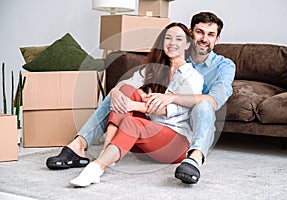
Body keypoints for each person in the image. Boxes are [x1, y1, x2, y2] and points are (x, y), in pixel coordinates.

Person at [46, 12, 236, 185]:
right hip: (156, 126)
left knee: (201, 104)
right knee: (124, 91)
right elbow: (126, 86)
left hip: (187, 128)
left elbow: (212, 101)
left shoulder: (218, 68)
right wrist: (116, 92)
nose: (204, 39)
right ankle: (80, 146)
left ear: (217, 39)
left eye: (210, 35)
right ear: (191, 35)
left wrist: (170, 98)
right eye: (199, 32)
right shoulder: (167, 63)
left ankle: (194, 157)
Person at [68, 22, 204, 187]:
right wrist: (120, 92)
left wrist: (133, 105)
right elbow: (122, 86)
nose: (172, 43)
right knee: (125, 89)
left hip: (175, 145)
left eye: (178, 39)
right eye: (167, 38)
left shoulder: (193, 77)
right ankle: (107, 150)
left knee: (131, 122)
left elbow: (168, 109)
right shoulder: (155, 70)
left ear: (187, 44)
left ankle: (97, 166)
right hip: (146, 144)